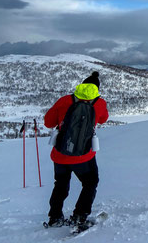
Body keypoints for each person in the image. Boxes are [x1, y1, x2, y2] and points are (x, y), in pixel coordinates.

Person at [44, 71, 109, 228]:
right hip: (84, 156)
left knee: (60, 183)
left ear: (81, 85)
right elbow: (103, 119)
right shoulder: (99, 103)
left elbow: (48, 122)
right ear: (96, 89)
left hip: (60, 153)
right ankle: (80, 216)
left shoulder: (65, 100)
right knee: (90, 182)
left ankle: (55, 217)